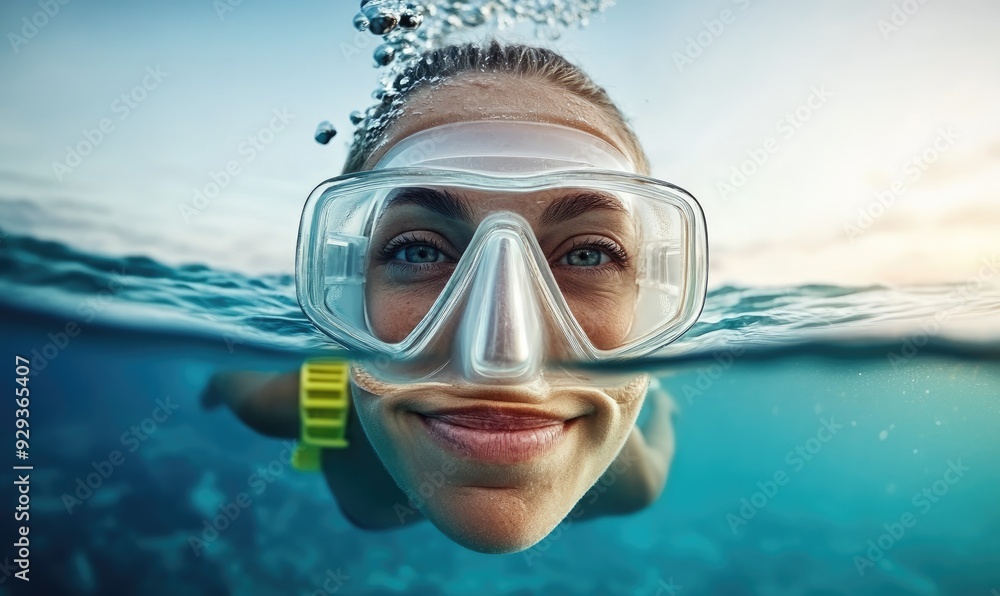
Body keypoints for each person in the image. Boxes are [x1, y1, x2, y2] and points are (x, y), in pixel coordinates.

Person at [202, 41, 707, 554]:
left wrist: (660, 412)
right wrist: (218, 384)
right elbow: (231, 381)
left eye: (588, 256)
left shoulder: (631, 481)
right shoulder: (303, 403)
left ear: (652, 299)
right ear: (348, 295)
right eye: (420, 251)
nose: (504, 359)